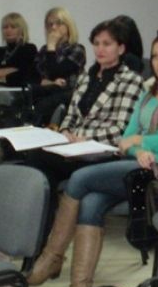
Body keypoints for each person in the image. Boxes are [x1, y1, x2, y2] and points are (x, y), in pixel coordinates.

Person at [27, 31, 158, 287]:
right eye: (156, 56)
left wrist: (142, 141)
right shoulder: (149, 94)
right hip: (137, 167)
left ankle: (51, 257)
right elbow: (124, 140)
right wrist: (138, 149)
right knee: (91, 203)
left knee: (80, 180)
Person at [20, 19, 144, 189]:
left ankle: (45, 203)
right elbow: (71, 115)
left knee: (39, 160)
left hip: (102, 151)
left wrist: (85, 138)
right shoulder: (85, 77)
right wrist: (65, 131)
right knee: (37, 163)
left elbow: (121, 129)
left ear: (121, 48)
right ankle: (46, 204)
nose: (100, 49)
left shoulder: (131, 80)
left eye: (107, 44)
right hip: (73, 147)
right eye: (96, 43)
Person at [33, 7, 87, 125]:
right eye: (50, 24)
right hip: (44, 91)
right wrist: (47, 82)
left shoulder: (77, 49)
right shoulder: (43, 50)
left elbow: (57, 72)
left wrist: (51, 47)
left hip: (67, 94)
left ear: (68, 26)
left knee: (44, 104)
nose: (53, 27)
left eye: (58, 23)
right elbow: (33, 75)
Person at [0, 12, 40, 86]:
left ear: (21, 30)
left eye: (13, 27)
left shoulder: (29, 48)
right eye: (5, 27)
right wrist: (11, 71)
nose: (8, 30)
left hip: (17, 90)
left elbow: (25, 75)